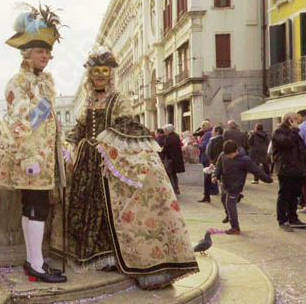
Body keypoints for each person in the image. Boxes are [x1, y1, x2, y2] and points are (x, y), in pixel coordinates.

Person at [60, 46, 198, 289]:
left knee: (118, 209)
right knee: (90, 208)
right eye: (95, 71)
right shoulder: (90, 101)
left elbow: (124, 125)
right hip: (86, 165)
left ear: (110, 74)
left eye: (104, 71)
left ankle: (133, 259)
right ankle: (99, 256)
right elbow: (79, 129)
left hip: (109, 161)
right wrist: (69, 144)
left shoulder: (118, 99)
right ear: (90, 75)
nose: (100, 75)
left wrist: (106, 145)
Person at [0, 5, 67, 283]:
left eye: (47, 53)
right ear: (27, 53)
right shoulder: (18, 82)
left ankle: (34, 260)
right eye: (40, 52)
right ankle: (35, 263)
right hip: (31, 157)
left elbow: (46, 122)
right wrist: (27, 157)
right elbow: (17, 123)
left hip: (44, 157)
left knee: (36, 206)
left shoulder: (43, 83)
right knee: (35, 207)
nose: (45, 57)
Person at [212, 140, 273, 234]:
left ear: (236, 151)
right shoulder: (223, 155)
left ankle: (235, 227)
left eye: (230, 155)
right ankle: (229, 215)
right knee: (223, 199)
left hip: (236, 186)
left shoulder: (245, 160)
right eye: (227, 154)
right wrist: (214, 175)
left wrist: (268, 179)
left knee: (230, 205)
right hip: (225, 183)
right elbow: (218, 166)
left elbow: (256, 171)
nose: (228, 156)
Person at [272, 112, 306, 231]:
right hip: (285, 168)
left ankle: (293, 218)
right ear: (289, 120)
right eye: (295, 119)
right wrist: (294, 130)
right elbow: (286, 143)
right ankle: (282, 220)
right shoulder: (279, 132)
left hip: (296, 169)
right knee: (284, 195)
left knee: (294, 195)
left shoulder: (295, 132)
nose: (298, 120)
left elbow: (301, 148)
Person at [160, 124, 184, 195]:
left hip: (170, 159)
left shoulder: (169, 138)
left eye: (165, 130)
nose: (164, 132)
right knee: (174, 174)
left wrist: (161, 154)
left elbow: (165, 148)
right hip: (176, 159)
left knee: (170, 174)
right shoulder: (176, 136)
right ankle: (176, 189)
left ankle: (172, 190)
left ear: (168, 130)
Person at [197, 120, 214, 203]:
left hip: (206, 157)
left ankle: (207, 196)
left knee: (207, 177)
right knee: (209, 176)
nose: (202, 127)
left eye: (203, 126)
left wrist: (196, 144)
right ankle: (208, 195)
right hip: (208, 157)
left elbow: (203, 146)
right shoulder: (208, 133)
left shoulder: (207, 134)